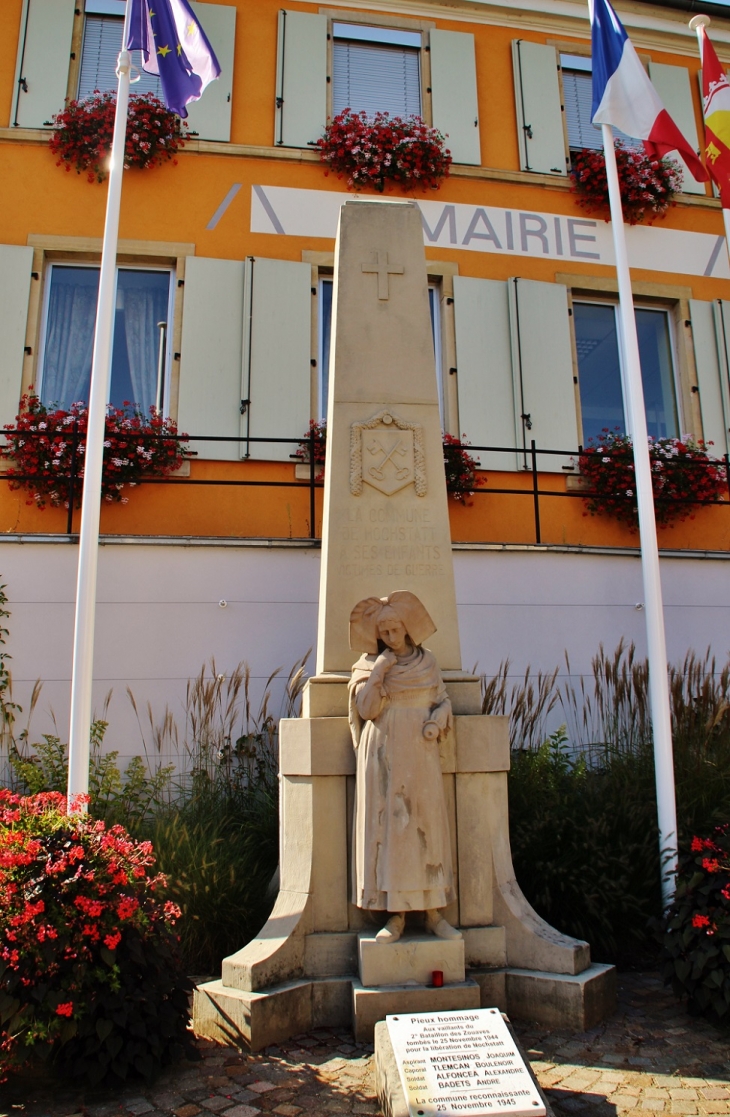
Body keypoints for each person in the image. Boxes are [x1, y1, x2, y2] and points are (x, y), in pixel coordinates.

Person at [348, 591, 461, 944]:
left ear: (407, 628)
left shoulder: (427, 663)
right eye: (383, 631)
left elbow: (442, 699)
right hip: (383, 749)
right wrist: (380, 670)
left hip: (421, 751)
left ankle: (432, 912)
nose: (390, 636)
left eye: (395, 628)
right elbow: (366, 710)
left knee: (426, 828)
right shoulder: (370, 665)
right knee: (390, 832)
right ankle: (394, 915)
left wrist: (439, 718)